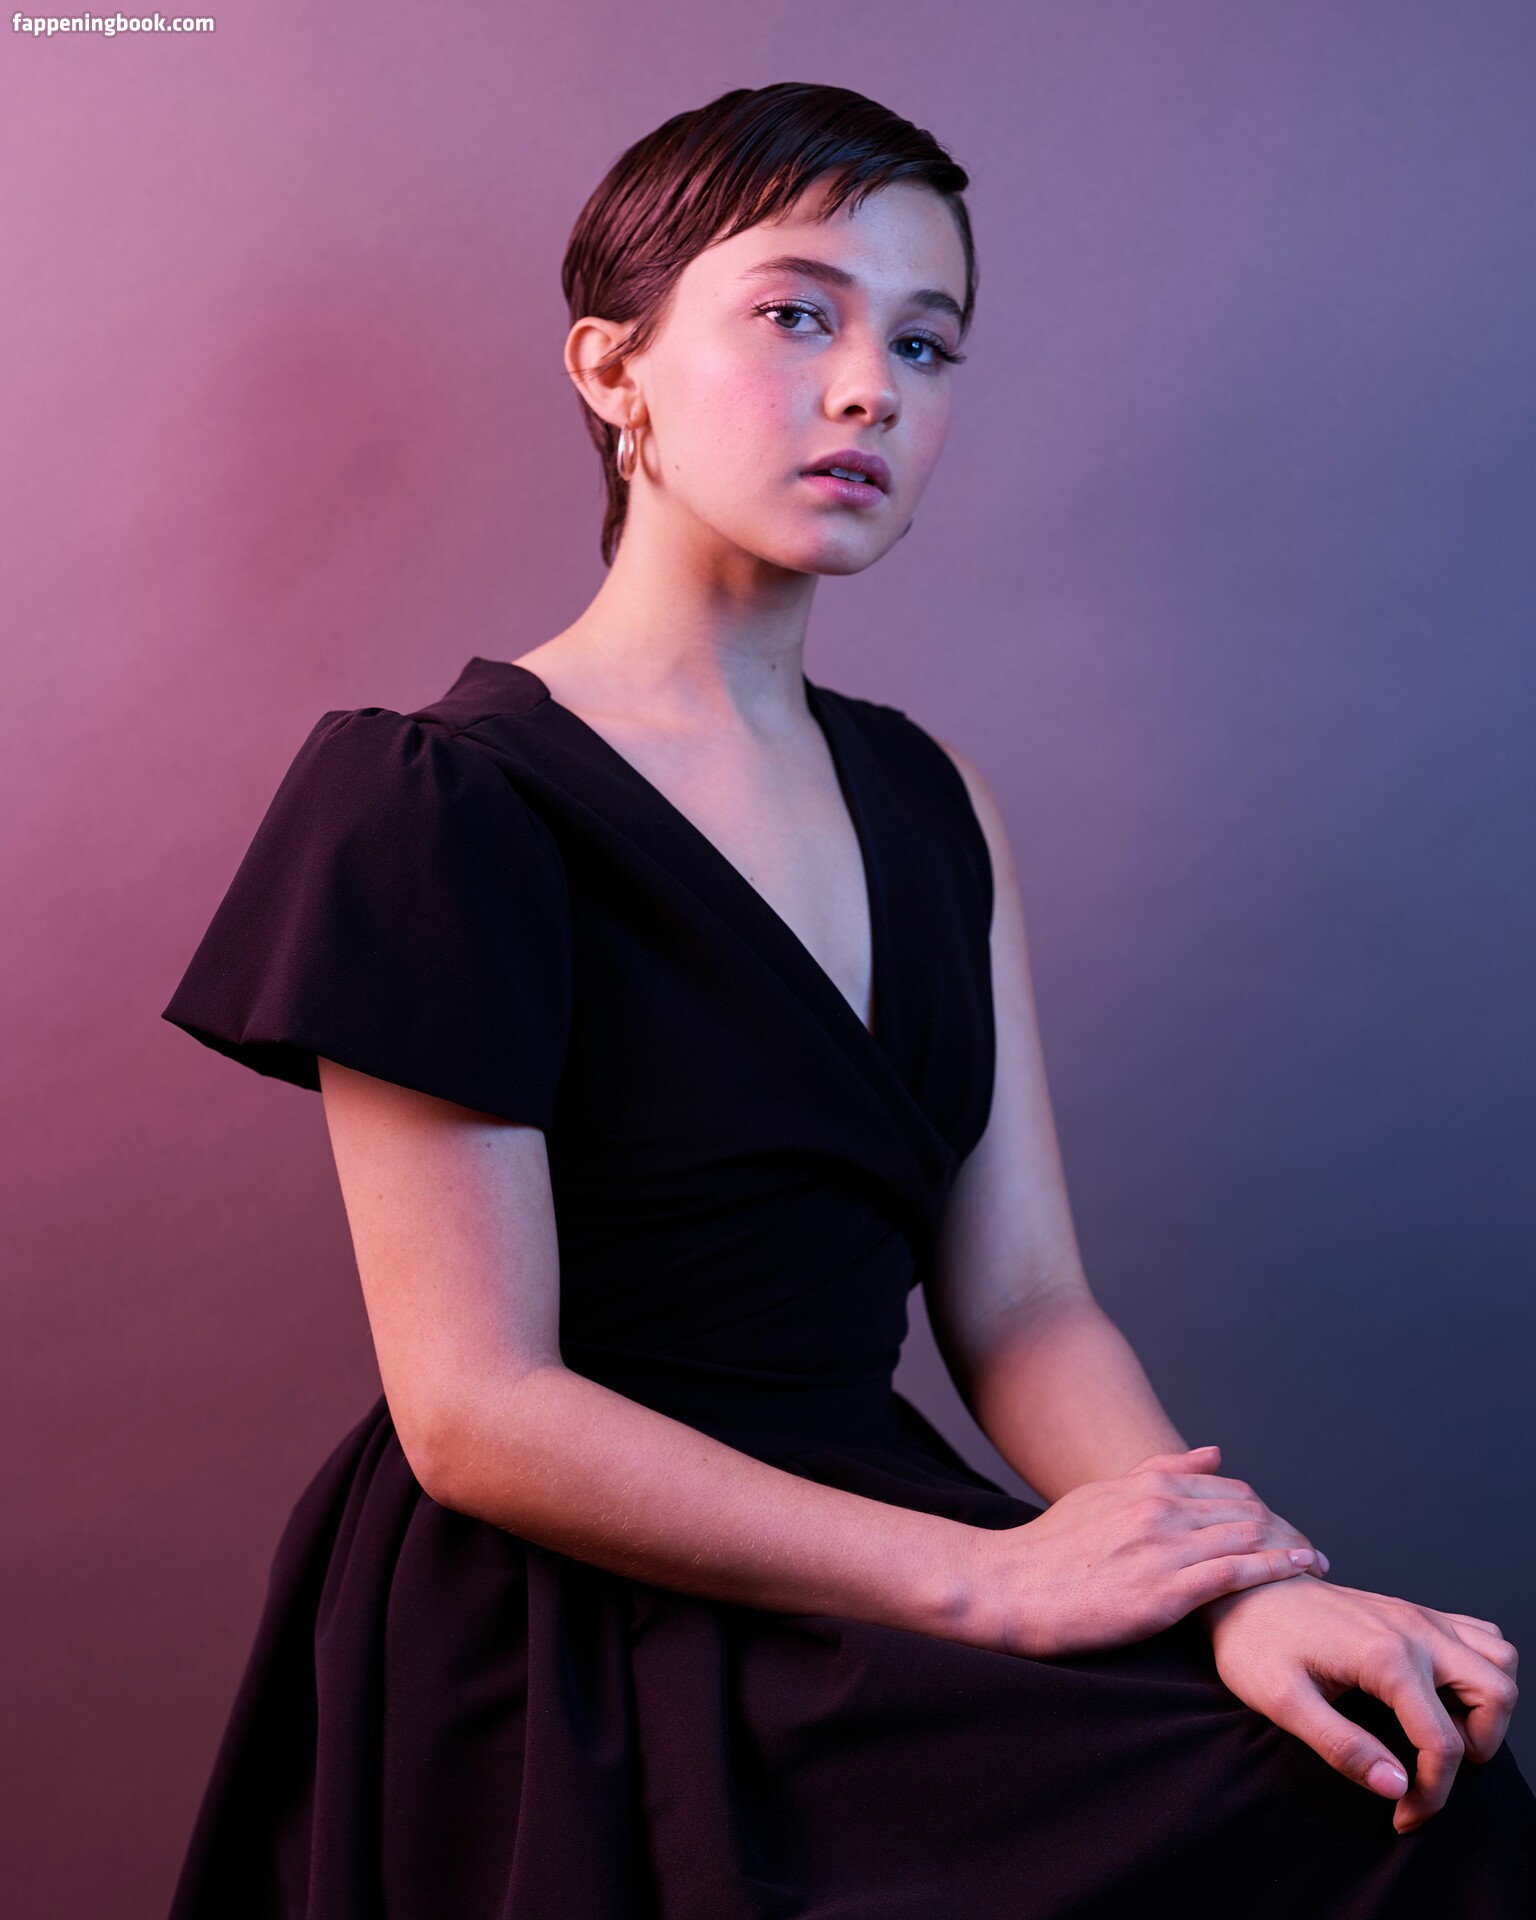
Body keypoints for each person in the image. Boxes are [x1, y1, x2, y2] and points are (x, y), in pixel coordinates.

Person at [161, 81, 1534, 1919]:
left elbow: (1026, 1307)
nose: (872, 388)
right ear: (613, 370)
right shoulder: (436, 799)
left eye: (926, 341)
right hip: (569, 1616)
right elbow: (478, 1409)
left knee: (1409, 1800)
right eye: (799, 314)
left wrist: (1240, 1586)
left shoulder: (930, 797)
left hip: (883, 1546)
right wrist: (995, 1581)